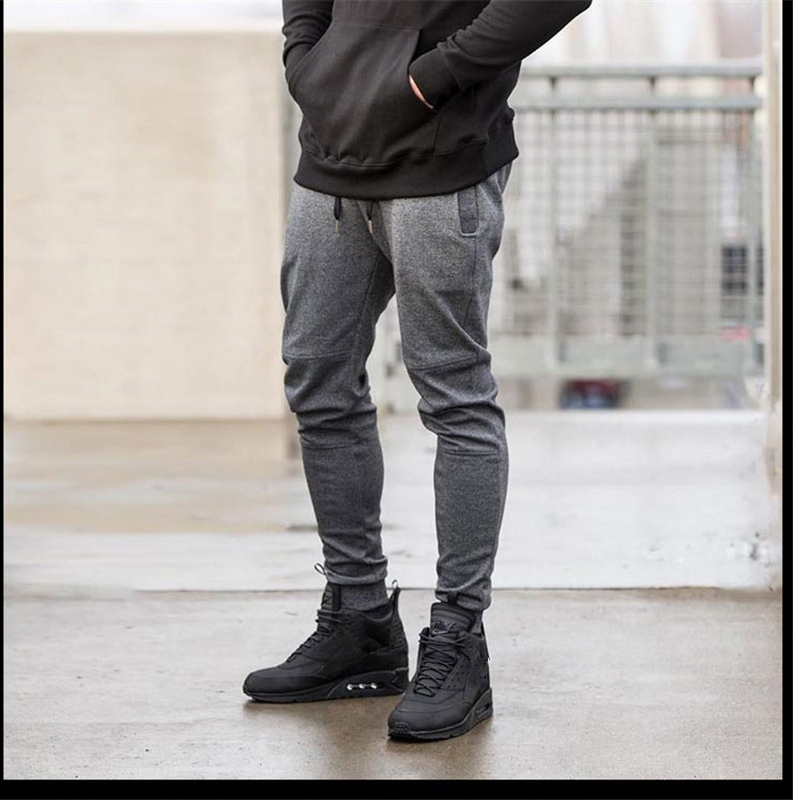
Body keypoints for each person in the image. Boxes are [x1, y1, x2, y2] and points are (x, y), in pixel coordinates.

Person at [244, 0, 592, 742]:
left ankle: (459, 637)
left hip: (441, 158)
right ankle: (360, 619)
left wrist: (431, 76)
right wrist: (307, 56)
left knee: (454, 397)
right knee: (317, 378)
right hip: (331, 158)